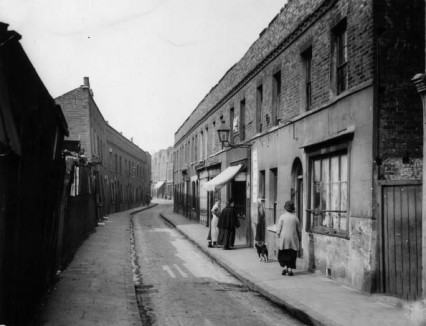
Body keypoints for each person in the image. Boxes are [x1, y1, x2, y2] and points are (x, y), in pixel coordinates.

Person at [276, 201, 300, 276]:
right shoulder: (295, 218)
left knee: (283, 253)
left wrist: (278, 234)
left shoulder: (282, 217)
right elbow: (298, 230)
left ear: (285, 209)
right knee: (292, 253)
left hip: (284, 238)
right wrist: (299, 238)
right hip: (293, 238)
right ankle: (290, 269)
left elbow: (278, 229)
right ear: (292, 209)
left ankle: (285, 267)